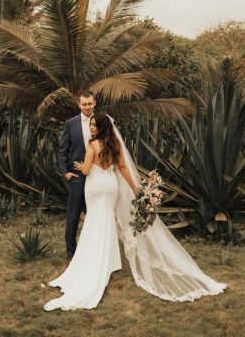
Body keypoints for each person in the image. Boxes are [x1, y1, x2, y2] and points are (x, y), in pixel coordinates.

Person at [45, 113, 227, 311]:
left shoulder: (92, 145)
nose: (91, 129)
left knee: (94, 221)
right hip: (111, 185)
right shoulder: (115, 144)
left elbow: (87, 171)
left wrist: (82, 165)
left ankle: (95, 262)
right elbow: (122, 167)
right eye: (90, 125)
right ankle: (108, 261)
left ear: (102, 128)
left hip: (96, 187)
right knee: (106, 221)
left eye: (94, 126)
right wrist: (135, 188)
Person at [57, 90, 96, 260]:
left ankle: (93, 249)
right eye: (84, 104)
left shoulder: (101, 121)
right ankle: (71, 251)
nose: (87, 107)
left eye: (90, 103)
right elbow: (63, 150)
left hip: (97, 176)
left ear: (95, 103)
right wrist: (65, 172)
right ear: (79, 104)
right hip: (77, 176)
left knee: (96, 214)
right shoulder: (70, 123)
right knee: (73, 214)